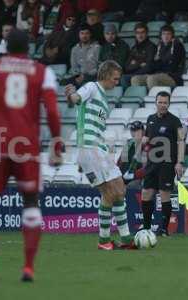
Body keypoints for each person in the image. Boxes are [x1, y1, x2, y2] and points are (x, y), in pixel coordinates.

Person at [0, 29, 63, 282]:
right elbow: (53, 111)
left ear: (5, 47)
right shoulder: (43, 72)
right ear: (29, 48)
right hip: (27, 146)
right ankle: (28, 268)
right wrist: (56, 142)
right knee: (30, 204)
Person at [65, 60, 136, 251]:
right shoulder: (91, 87)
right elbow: (77, 98)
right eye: (115, 78)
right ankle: (122, 238)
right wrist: (71, 94)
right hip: (90, 148)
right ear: (105, 75)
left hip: (93, 149)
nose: (117, 82)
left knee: (113, 193)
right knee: (118, 188)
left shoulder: (104, 99)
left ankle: (107, 240)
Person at [141, 91, 185, 236]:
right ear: (156, 103)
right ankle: (146, 227)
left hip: (167, 163)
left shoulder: (175, 121)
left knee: (164, 194)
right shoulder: (150, 119)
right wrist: (144, 142)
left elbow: (180, 141)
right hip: (152, 163)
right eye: (160, 102)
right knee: (146, 193)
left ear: (169, 104)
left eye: (165, 103)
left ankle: (164, 229)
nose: (162, 105)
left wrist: (179, 162)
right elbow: (147, 138)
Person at [131, 25, 185, 90]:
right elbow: (156, 63)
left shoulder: (177, 46)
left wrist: (158, 63)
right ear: (161, 36)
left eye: (168, 34)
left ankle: (153, 98)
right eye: (164, 34)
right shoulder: (159, 46)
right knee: (136, 79)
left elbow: (172, 65)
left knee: (152, 78)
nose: (166, 36)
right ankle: (141, 98)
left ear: (172, 35)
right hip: (158, 74)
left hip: (173, 76)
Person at [122, 22, 156, 88]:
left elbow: (149, 66)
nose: (140, 35)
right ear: (135, 34)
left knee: (124, 78)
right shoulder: (134, 48)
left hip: (145, 74)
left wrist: (134, 64)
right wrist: (140, 64)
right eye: (138, 33)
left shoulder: (151, 47)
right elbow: (126, 66)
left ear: (147, 33)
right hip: (132, 74)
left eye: (142, 32)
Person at [68, 23, 101, 87]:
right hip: (79, 77)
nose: (84, 36)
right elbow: (74, 66)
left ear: (90, 34)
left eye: (87, 33)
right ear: (79, 35)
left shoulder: (97, 48)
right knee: (63, 83)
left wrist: (86, 75)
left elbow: (100, 66)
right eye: (82, 33)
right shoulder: (75, 49)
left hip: (94, 77)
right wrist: (78, 76)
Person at [119, 121, 147, 190]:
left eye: (137, 130)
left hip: (138, 178)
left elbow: (147, 168)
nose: (135, 133)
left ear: (143, 132)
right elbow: (120, 162)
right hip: (124, 177)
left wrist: (133, 175)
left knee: (131, 186)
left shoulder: (147, 145)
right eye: (133, 130)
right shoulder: (129, 143)